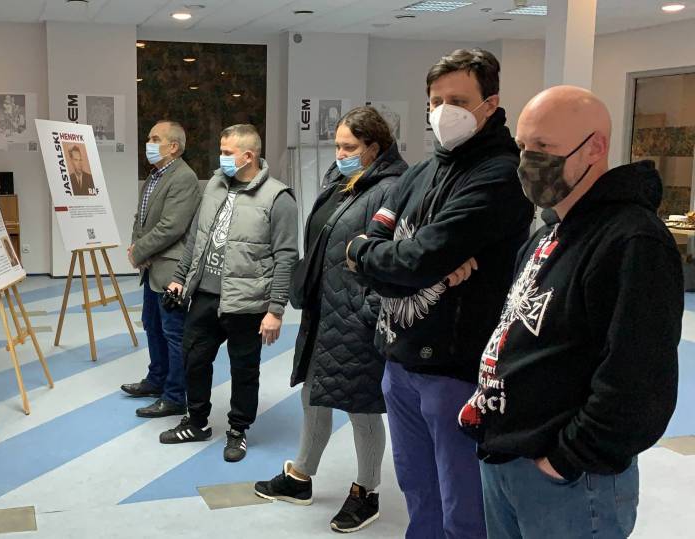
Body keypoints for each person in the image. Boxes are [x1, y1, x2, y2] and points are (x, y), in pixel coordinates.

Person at [457, 86, 682, 538]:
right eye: (523, 146)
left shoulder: (631, 240)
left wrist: (566, 458)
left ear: (595, 147)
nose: (527, 161)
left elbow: (639, 378)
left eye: (543, 146)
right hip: (507, 455)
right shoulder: (549, 234)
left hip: (569, 481)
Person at [345, 48, 534, 538]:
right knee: (418, 490)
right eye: (435, 101)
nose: (443, 112)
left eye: (458, 101)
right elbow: (378, 244)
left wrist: (392, 260)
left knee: (463, 506)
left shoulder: (500, 175)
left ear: (490, 104)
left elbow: (417, 259)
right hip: (399, 359)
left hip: (456, 369)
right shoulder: (421, 171)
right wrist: (379, 256)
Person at [253, 107, 408, 533]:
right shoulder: (341, 183)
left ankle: (367, 491)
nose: (339, 154)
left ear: (374, 147)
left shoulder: (391, 190)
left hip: (357, 315)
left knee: (361, 406)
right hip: (324, 309)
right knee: (314, 393)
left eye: (349, 147)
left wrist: (368, 309)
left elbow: (391, 258)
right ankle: (301, 476)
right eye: (337, 145)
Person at [160, 124, 298, 463]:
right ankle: (197, 421)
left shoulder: (278, 198)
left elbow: (286, 257)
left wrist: (275, 310)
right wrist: (180, 279)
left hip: (247, 302)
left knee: (244, 369)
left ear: (248, 156)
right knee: (194, 359)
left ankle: (238, 429)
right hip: (205, 295)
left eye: (226, 152)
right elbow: (196, 237)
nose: (220, 158)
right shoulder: (214, 186)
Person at [120, 120, 201, 418]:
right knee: (152, 325)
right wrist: (135, 248)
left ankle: (175, 396)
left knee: (173, 332)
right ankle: (156, 380)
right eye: (149, 138)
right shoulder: (154, 176)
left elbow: (172, 226)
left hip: (170, 270)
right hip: (151, 266)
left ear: (174, 147)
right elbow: (140, 219)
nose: (149, 144)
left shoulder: (184, 177)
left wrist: (140, 251)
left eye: (155, 139)